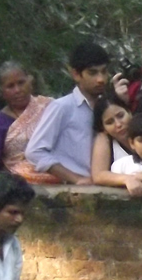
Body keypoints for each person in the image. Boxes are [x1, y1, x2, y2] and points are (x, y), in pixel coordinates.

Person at [25, 42, 112, 184]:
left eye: (104, 71)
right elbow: (35, 151)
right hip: (71, 190)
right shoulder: (62, 107)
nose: (101, 79)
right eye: (92, 72)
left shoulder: (110, 107)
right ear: (76, 74)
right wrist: (76, 178)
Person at [0, 63, 48, 183]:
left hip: (59, 176)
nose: (18, 90)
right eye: (10, 86)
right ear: (1, 92)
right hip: (20, 182)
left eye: (21, 83)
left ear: (30, 82)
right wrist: (13, 183)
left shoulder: (50, 108)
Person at [88, 94, 142, 193]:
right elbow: (98, 175)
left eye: (121, 116)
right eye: (110, 122)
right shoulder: (104, 139)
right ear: (103, 129)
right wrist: (127, 179)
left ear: (129, 112)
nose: (118, 124)